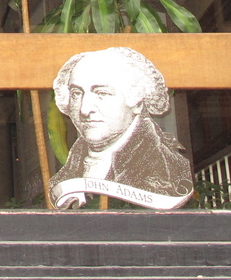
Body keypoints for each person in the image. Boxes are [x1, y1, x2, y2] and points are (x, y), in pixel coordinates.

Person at [50, 47, 192, 198]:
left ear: (137, 102)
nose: (84, 110)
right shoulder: (73, 164)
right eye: (76, 94)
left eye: (101, 93)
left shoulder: (164, 168)